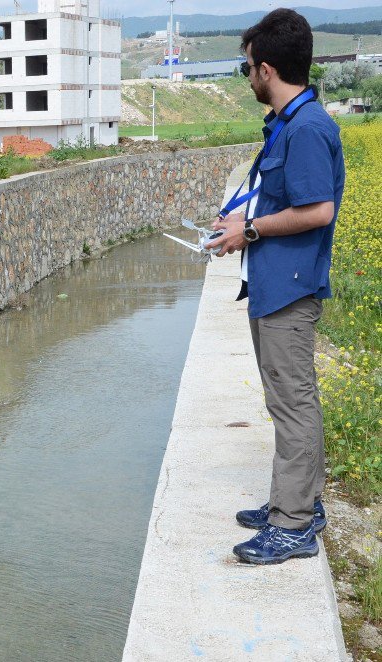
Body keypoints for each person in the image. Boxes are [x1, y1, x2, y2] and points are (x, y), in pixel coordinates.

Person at [207, 8, 345, 565]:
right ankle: (297, 502)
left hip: (289, 287)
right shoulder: (291, 122)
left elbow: (318, 209)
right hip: (273, 281)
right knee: (286, 400)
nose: (248, 81)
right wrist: (240, 222)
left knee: (293, 404)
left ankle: (294, 525)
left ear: (266, 69)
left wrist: (252, 229)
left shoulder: (307, 128)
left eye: (247, 71)